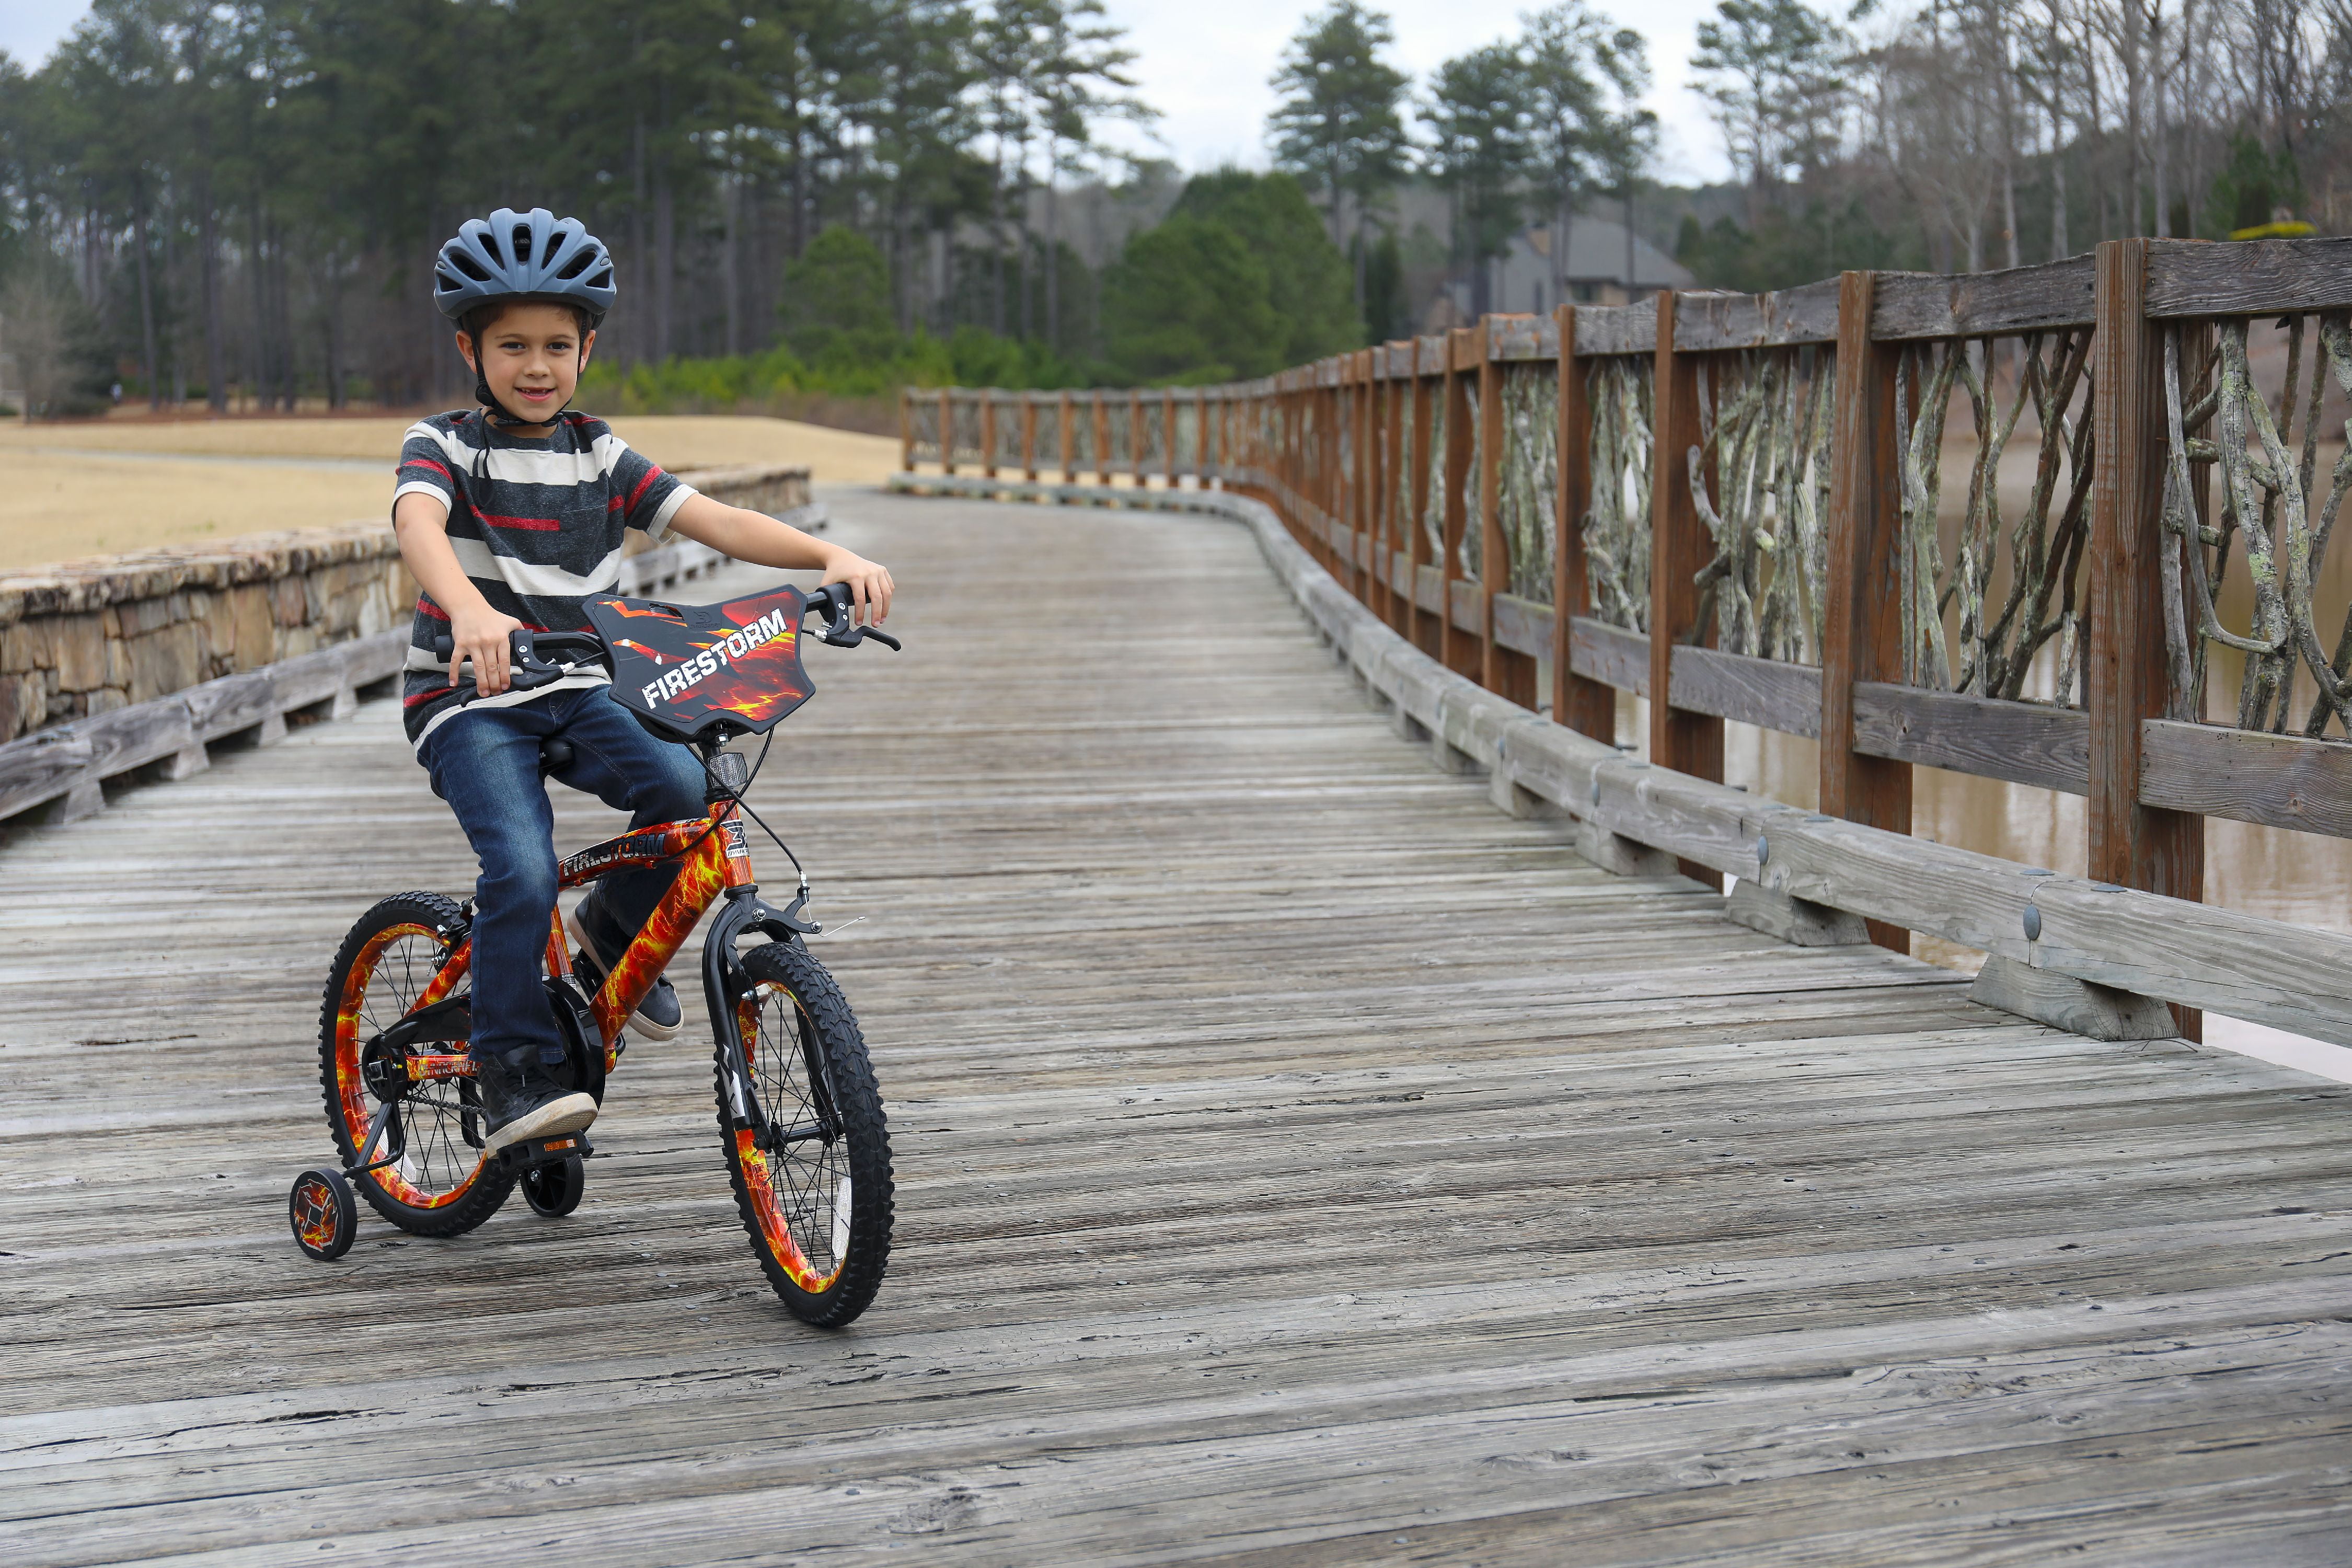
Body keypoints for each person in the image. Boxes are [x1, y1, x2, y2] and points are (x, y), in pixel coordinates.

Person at [390, 206, 892, 1155]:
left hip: (579, 687)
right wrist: (468, 607)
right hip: (471, 701)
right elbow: (419, 526)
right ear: (471, 348)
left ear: (587, 349)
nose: (535, 365)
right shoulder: (444, 444)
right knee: (523, 866)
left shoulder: (601, 454)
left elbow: (720, 520)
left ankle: (608, 938)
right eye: (511, 346)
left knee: (688, 792)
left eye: (555, 344)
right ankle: (510, 1068)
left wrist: (828, 555)